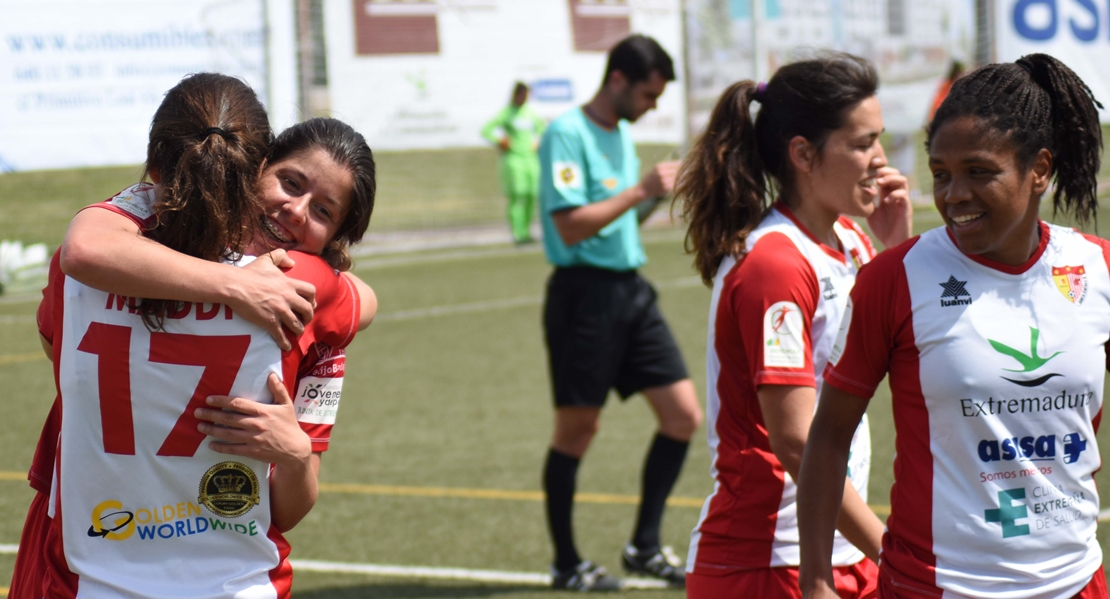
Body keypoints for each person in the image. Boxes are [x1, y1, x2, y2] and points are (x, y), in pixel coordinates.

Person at [30, 75, 375, 599]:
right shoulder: (311, 293)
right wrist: (237, 285)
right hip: (231, 581)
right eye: (290, 182)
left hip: (87, 567)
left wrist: (297, 455)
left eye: (324, 211)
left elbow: (61, 324)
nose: (296, 211)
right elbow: (362, 302)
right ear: (252, 168)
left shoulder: (85, 267)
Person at [797, 54, 1110, 599]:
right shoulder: (892, 279)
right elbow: (826, 436)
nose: (953, 194)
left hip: (1076, 582)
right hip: (936, 586)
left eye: (978, 172)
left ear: (1039, 169)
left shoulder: (1097, 268)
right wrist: (817, 580)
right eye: (941, 174)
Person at [676, 53, 912, 598]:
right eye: (861, 144)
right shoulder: (775, 266)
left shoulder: (850, 240)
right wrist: (891, 549)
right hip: (767, 562)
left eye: (879, 139)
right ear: (803, 154)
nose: (879, 160)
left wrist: (896, 248)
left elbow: (909, 353)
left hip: (838, 547)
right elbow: (797, 440)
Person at [537, 34, 702, 591]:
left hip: (632, 292)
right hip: (583, 298)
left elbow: (618, 219)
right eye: (649, 95)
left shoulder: (622, 134)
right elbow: (569, 225)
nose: (652, 105)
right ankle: (566, 564)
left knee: (683, 416)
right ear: (618, 81)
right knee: (578, 431)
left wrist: (656, 195)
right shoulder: (566, 133)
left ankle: (644, 547)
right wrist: (639, 191)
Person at [482, 81, 546, 244]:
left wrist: (538, 141)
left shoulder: (530, 113)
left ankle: (527, 230)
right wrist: (500, 140)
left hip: (531, 160)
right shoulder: (506, 113)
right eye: (522, 95)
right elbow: (486, 130)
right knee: (518, 196)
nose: (524, 99)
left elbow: (543, 130)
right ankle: (518, 234)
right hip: (514, 160)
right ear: (516, 94)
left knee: (532, 195)